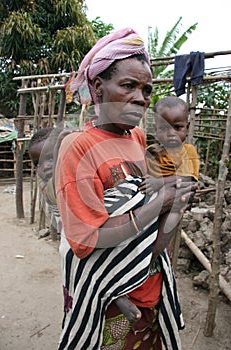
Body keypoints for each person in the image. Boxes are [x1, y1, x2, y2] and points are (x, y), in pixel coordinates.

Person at [55, 28, 198, 350]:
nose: (141, 98)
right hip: (110, 294)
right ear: (97, 87)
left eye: (147, 90)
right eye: (128, 85)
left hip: (150, 281)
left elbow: (139, 197)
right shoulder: (78, 148)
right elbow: (83, 239)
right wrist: (162, 202)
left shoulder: (135, 138)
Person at [115, 96, 200, 322]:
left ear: (187, 128)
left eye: (178, 127)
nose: (171, 133)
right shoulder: (152, 150)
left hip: (172, 206)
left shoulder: (188, 151)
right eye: (164, 127)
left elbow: (189, 179)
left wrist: (161, 182)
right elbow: (145, 179)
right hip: (151, 206)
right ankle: (124, 277)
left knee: (166, 227)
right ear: (156, 128)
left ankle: (148, 262)